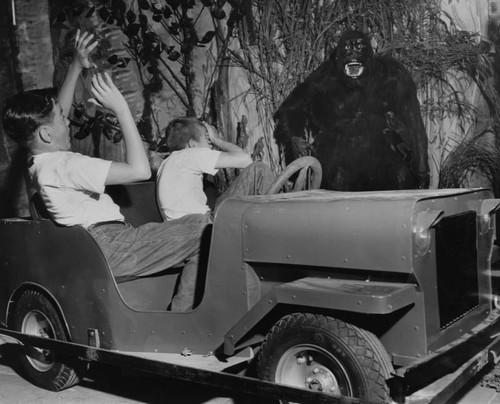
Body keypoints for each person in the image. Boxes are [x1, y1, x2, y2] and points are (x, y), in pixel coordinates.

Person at [2, 31, 210, 312]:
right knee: (210, 231)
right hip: (111, 247)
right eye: (64, 120)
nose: (69, 121)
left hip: (106, 245)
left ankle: (184, 315)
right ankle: (185, 321)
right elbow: (139, 170)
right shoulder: (66, 165)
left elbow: (53, 116)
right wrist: (121, 109)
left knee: (202, 224)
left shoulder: (40, 162)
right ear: (47, 134)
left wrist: (76, 65)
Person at [156, 117, 275, 221]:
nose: (211, 146)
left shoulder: (166, 163)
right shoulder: (190, 154)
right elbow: (246, 159)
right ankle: (276, 221)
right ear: (193, 144)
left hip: (184, 225)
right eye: (207, 140)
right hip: (199, 223)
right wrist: (217, 139)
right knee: (258, 169)